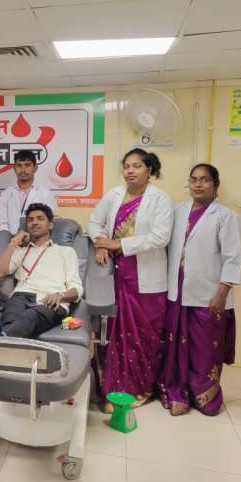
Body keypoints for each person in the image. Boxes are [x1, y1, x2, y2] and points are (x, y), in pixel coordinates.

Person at [88, 148, 173, 409]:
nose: (130, 171)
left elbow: (161, 237)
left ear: (150, 169)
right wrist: (101, 244)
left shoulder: (161, 199)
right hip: (117, 273)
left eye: (137, 166)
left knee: (145, 335)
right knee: (115, 332)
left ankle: (143, 387)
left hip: (147, 278)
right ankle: (114, 387)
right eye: (126, 166)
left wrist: (119, 244)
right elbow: (94, 221)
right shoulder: (113, 195)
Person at [158, 164, 241, 417]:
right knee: (176, 346)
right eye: (193, 179)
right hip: (177, 288)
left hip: (209, 292)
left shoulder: (225, 215)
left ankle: (205, 396)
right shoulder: (177, 210)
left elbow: (232, 257)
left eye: (204, 180)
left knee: (205, 348)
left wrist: (222, 293)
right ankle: (178, 393)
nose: (198, 184)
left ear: (215, 184)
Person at [0, 203, 82, 338]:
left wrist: (60, 295)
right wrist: (14, 242)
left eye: (40, 218)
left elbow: (77, 289)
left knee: (31, 316)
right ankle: (2, 337)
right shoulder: (21, 251)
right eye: (30, 220)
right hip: (20, 296)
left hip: (50, 300)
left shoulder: (66, 252)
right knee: (11, 318)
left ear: (50, 225)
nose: (34, 222)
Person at [0, 149, 56, 234]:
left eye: (27, 165)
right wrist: (11, 239)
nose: (23, 170)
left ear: (35, 168)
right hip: (10, 240)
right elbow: (1, 224)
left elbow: (48, 222)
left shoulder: (46, 194)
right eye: (19, 165)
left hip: (36, 239)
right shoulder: (6, 194)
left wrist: (28, 237)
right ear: (14, 168)